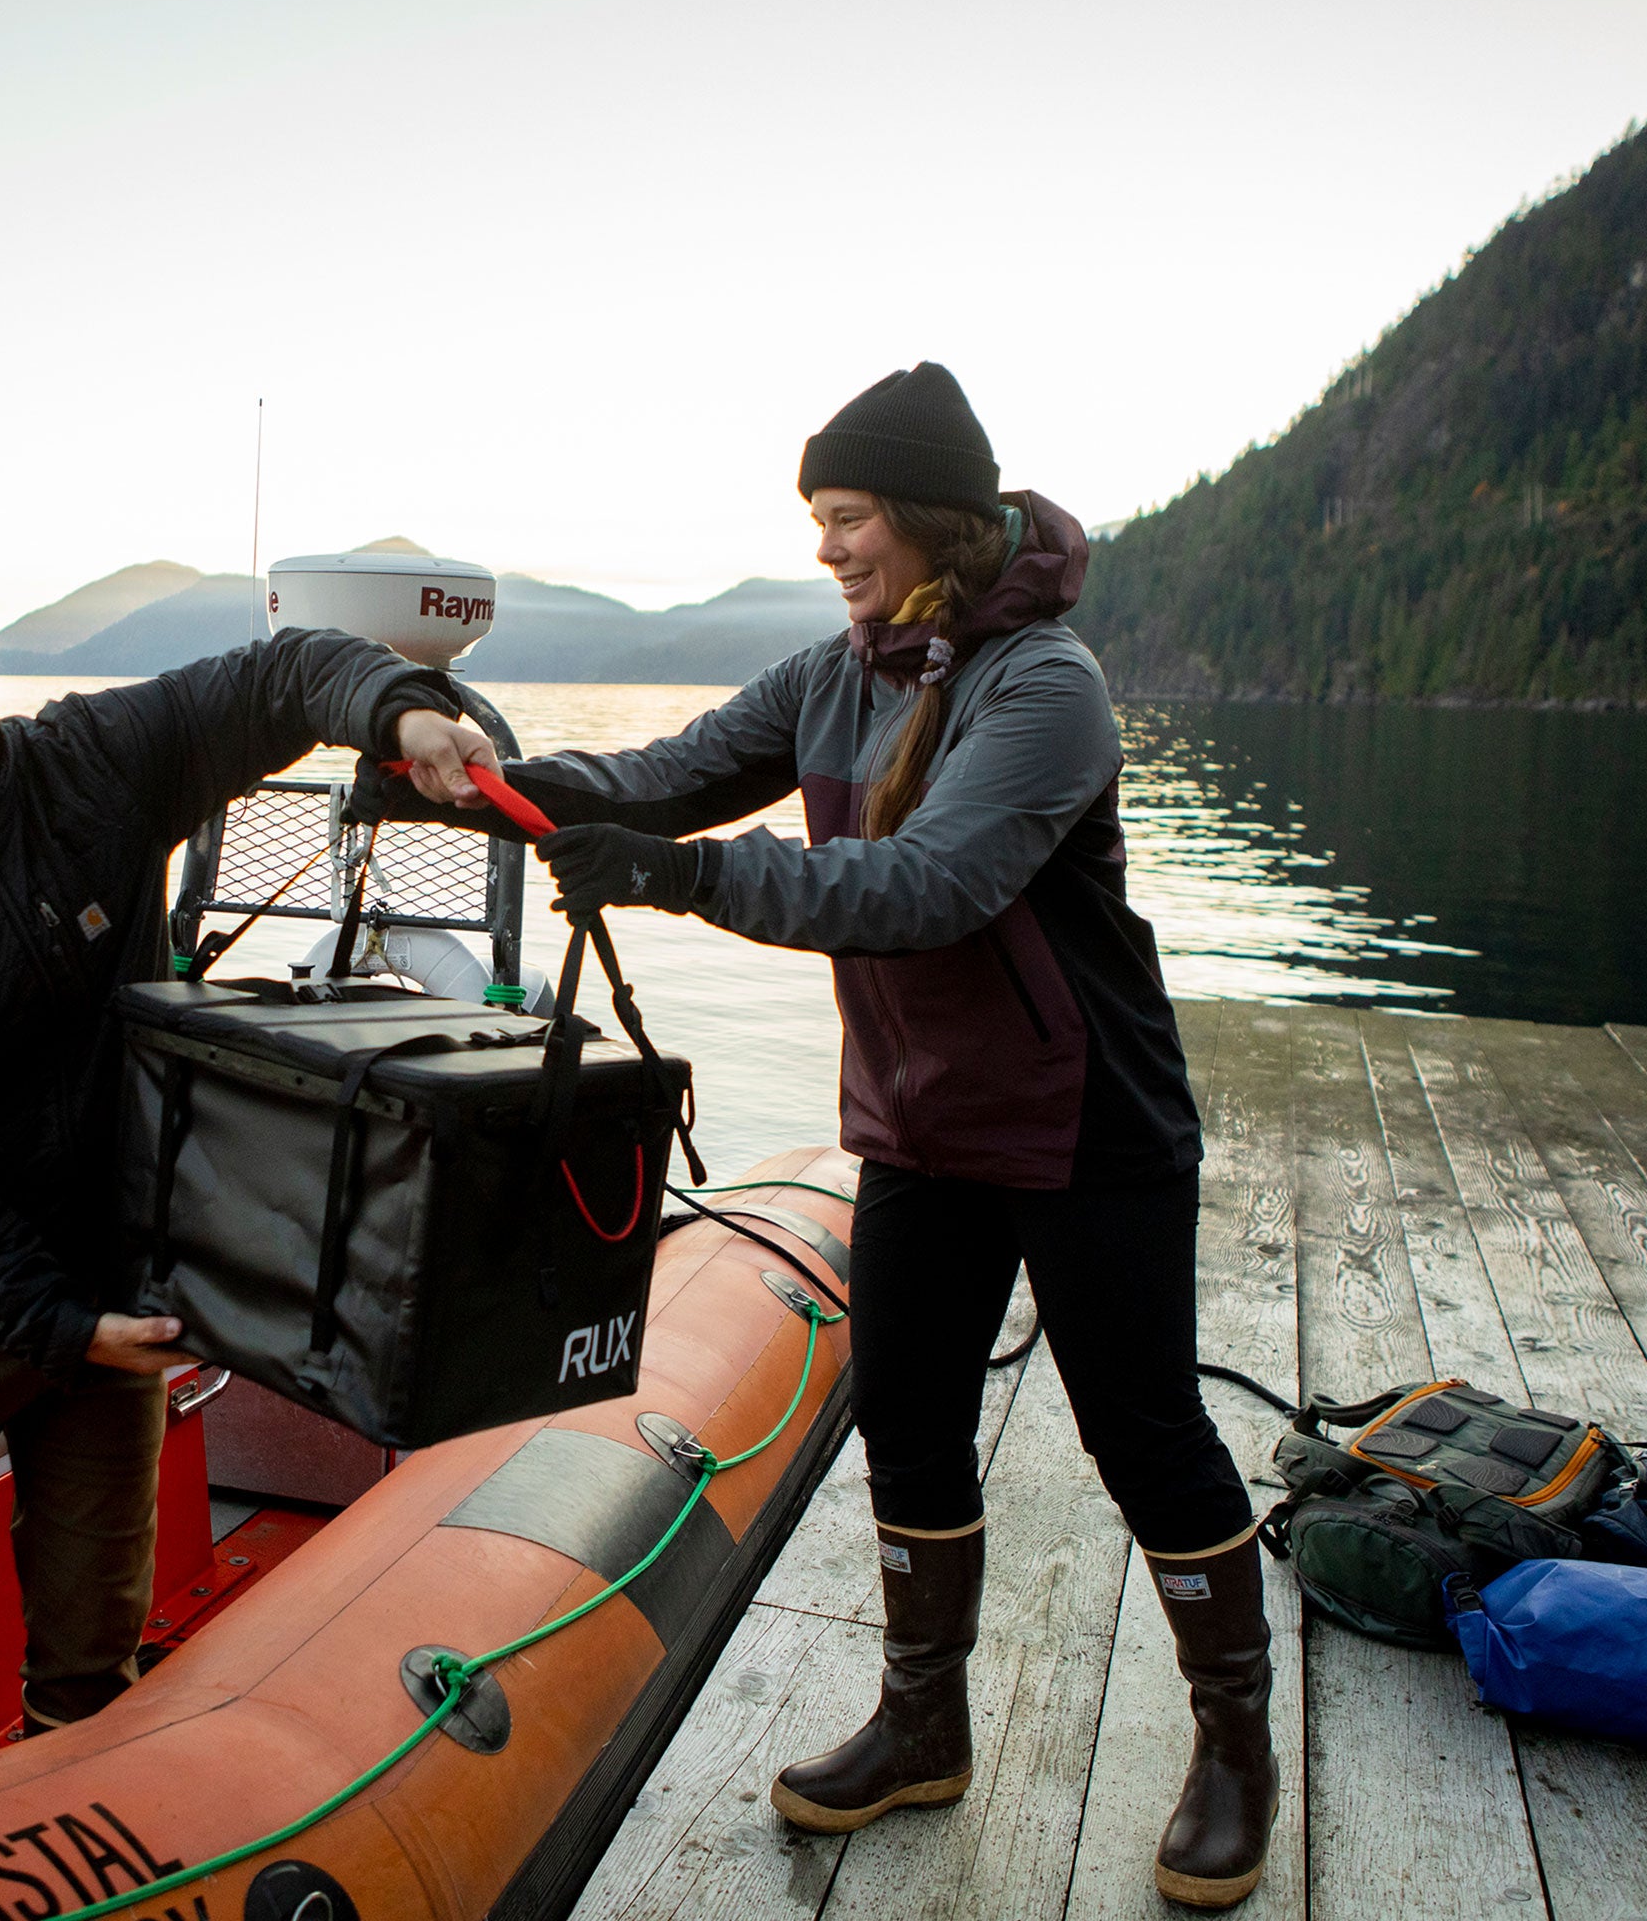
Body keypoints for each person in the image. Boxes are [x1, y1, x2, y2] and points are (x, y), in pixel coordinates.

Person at [368, 365, 1273, 1908]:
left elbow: (923, 891)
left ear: (927, 519)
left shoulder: (1046, 686)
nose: (829, 548)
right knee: (909, 1424)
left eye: (846, 518)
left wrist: (679, 878)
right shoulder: (833, 671)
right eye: (818, 521)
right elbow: (660, 781)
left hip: (1088, 1133)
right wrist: (483, 791)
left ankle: (1234, 1748)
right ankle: (925, 1724)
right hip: (922, 1129)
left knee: (1148, 1439)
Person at [0, 558, 493, 1814]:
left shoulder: (97, 757)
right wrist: (57, 1324)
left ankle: (71, 1847)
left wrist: (398, 708)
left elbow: (276, 675)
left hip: (113, 1284)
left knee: (92, 1647)